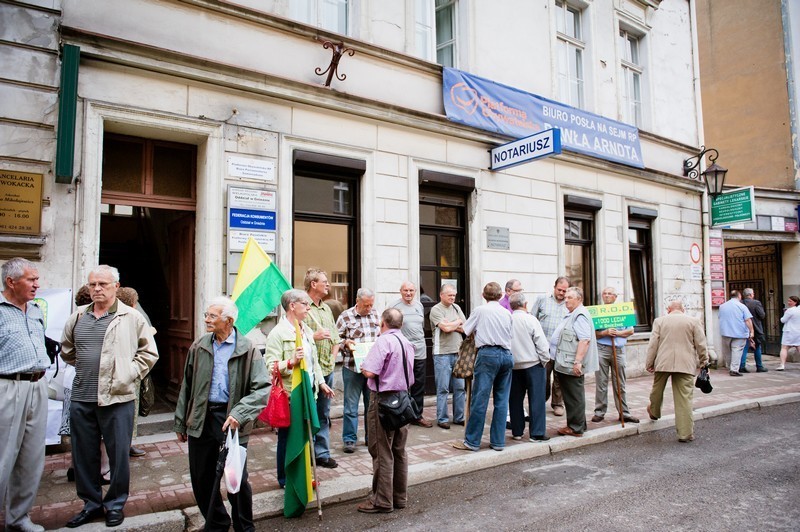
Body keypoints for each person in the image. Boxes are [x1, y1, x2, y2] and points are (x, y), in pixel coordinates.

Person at [60, 265, 158, 528]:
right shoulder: (79, 316)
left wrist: (128, 373)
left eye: (102, 284)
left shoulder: (132, 317)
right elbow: (67, 350)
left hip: (118, 398)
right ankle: (91, 504)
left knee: (117, 456)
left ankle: (115, 505)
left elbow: (149, 353)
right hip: (82, 396)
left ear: (116, 286)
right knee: (84, 455)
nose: (96, 289)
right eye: (92, 285)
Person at [174, 297, 269, 532]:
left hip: (231, 420)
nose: (206, 319)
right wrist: (181, 422)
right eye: (206, 315)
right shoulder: (199, 346)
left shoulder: (247, 349)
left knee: (235, 479)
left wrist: (239, 413)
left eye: (212, 316)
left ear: (228, 320)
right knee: (201, 476)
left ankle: (244, 526)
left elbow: (262, 388)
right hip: (201, 417)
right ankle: (217, 522)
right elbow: (187, 386)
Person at [264, 289, 334, 488]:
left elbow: (314, 362)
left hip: (308, 392)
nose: (309, 307)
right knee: (288, 438)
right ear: (292, 306)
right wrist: (291, 362)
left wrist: (321, 383)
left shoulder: (305, 330)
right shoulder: (278, 333)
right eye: (305, 304)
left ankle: (303, 474)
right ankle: (285, 478)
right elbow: (270, 366)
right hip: (290, 395)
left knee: (306, 436)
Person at [0, 258, 50, 532]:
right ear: (11, 281)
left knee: (31, 458)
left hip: (37, 386)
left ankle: (19, 519)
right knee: (2, 458)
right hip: (7, 387)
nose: (37, 284)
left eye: (37, 279)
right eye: (31, 280)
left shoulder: (34, 311)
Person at [356, 308, 415, 514]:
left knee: (382, 451)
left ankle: (381, 500)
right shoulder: (406, 342)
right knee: (399, 450)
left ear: (383, 323)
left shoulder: (383, 341)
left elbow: (371, 371)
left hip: (383, 400)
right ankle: (399, 497)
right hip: (403, 398)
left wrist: (363, 367)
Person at [452, 282, 513, 452]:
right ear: (501, 295)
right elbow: (510, 335)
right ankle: (498, 442)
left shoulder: (480, 310)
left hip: (488, 354)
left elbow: (466, 329)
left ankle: (472, 441)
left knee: (480, 399)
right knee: (501, 400)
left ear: (483, 295)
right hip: (507, 355)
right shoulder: (507, 313)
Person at [645, 301, 709, 442]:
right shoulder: (693, 321)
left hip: (663, 362)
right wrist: (704, 362)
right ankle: (685, 433)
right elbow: (701, 344)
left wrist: (649, 362)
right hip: (685, 364)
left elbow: (653, 344)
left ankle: (654, 411)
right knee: (684, 398)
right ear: (683, 309)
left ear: (668, 309)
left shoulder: (659, 321)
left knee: (657, 390)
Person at [303, 268, 340, 469]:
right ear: (313, 284)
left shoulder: (326, 309)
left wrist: (334, 358)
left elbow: (335, 337)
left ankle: (322, 453)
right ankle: (306, 454)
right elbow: (294, 336)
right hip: (309, 371)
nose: (328, 285)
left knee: (323, 414)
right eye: (324, 281)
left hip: (327, 369)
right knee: (307, 414)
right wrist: (313, 337)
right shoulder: (303, 308)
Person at [550, 287, 599, 437]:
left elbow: (584, 340)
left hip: (571, 363)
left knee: (573, 395)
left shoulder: (580, 315)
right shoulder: (574, 313)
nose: (566, 300)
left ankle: (575, 427)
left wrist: (577, 362)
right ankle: (579, 424)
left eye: (569, 297)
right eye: (565, 297)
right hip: (566, 361)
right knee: (572, 394)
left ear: (579, 299)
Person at [336, 288, 381, 453]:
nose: (369, 308)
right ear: (357, 301)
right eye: (366, 305)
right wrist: (345, 343)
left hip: (372, 369)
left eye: (371, 305)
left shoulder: (376, 314)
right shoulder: (345, 316)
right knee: (350, 406)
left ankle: (371, 438)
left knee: (372, 406)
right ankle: (349, 439)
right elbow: (336, 338)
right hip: (352, 368)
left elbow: (381, 336)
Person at [115, 286, 154, 458]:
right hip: (129, 372)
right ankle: (126, 444)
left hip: (121, 371)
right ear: (132, 302)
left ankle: (123, 445)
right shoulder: (131, 318)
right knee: (130, 409)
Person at [592, 287, 639, 423]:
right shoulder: (597, 312)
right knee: (601, 382)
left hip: (618, 350)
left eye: (610, 294)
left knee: (620, 382)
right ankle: (599, 412)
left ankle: (624, 412)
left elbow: (630, 331)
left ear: (615, 297)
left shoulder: (622, 310)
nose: (606, 296)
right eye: (604, 293)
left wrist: (617, 333)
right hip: (602, 349)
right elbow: (593, 333)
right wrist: (604, 333)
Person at [508, 292, 551, 442]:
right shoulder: (531, 319)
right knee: (537, 399)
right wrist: (544, 360)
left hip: (513, 365)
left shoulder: (508, 320)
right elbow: (541, 342)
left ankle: (517, 431)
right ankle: (537, 433)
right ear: (525, 304)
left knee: (514, 399)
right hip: (533, 364)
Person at [390, 282, 432, 427]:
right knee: (402, 384)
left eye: (411, 290)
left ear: (415, 292)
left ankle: (416, 415)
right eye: (405, 290)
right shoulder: (394, 306)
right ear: (400, 291)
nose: (408, 293)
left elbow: (421, 326)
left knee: (419, 384)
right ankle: (401, 414)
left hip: (420, 349)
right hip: (403, 351)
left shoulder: (419, 305)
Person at [428, 283, 466, 429]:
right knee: (443, 388)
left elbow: (466, 327)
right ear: (441, 295)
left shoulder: (457, 308)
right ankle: (442, 418)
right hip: (442, 354)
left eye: (454, 295)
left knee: (460, 387)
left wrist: (452, 325)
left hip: (458, 352)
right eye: (450, 295)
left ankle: (459, 417)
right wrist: (457, 323)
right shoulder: (436, 309)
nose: (452, 297)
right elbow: (445, 328)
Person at [531, 276, 570, 416]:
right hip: (544, 347)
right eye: (559, 290)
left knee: (559, 377)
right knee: (543, 377)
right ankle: (540, 402)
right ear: (554, 287)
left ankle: (558, 404)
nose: (562, 293)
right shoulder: (542, 299)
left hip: (562, 348)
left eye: (564, 291)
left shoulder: (569, 303)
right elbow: (532, 319)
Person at [718, 290, 754, 376]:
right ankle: (734, 369)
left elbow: (720, 317)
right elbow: (747, 320)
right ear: (739, 296)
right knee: (737, 350)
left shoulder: (722, 306)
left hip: (726, 332)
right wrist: (751, 331)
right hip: (739, 333)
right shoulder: (742, 306)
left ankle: (730, 366)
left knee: (727, 351)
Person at [739, 288, 768, 373]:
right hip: (755, 328)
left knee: (744, 347)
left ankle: (742, 365)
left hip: (743, 328)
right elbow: (762, 315)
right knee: (757, 347)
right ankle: (759, 366)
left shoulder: (740, 303)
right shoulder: (756, 303)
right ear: (751, 295)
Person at [778, 295, 800, 371]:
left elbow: (783, 320)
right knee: (798, 347)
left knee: (784, 348)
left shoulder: (789, 311)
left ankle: (782, 365)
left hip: (789, 331)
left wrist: (783, 315)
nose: (788, 302)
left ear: (795, 302)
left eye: (790, 301)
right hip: (798, 331)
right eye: (788, 301)